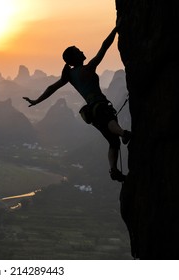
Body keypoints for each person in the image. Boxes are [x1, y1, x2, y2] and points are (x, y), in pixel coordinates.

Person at [23, 26, 131, 182]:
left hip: (91, 112)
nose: (81, 51)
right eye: (78, 50)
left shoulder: (70, 75)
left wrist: (36, 101)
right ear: (75, 58)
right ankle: (123, 133)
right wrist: (116, 29)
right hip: (99, 106)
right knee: (111, 124)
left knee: (113, 142)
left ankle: (113, 169)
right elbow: (104, 47)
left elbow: (52, 88)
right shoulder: (88, 68)